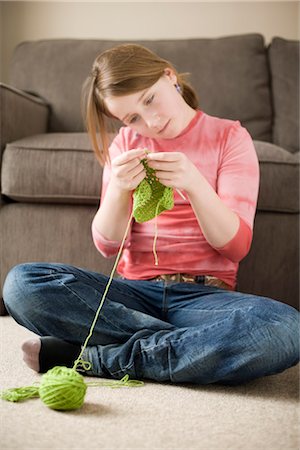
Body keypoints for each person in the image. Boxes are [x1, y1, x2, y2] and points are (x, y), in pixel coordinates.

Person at [3, 44, 299, 385]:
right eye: (132, 119)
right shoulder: (126, 144)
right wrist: (117, 188)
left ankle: (96, 358)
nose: (151, 122)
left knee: (284, 329)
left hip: (205, 298)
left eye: (149, 99)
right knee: (22, 285)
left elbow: (235, 248)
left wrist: (195, 185)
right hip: (132, 296)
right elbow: (107, 246)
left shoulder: (230, 137)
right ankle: (186, 348)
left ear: (169, 76)